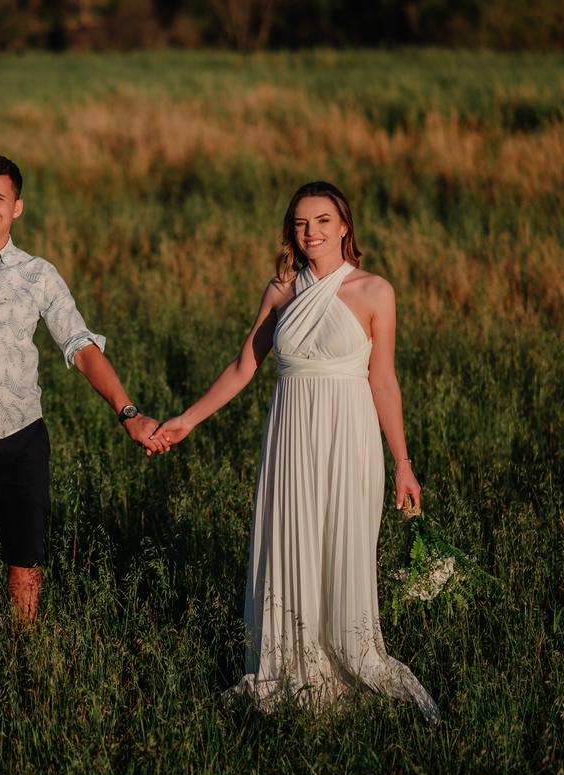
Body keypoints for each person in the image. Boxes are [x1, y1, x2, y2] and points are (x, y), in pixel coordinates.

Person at [150, 181, 439, 721]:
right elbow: (244, 367)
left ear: (344, 225)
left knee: (342, 546)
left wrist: (403, 463)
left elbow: (383, 381)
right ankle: (291, 667)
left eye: (323, 220)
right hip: (290, 437)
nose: (312, 232)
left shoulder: (374, 291)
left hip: (349, 438)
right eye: (302, 223)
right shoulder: (281, 290)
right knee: (291, 542)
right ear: (292, 230)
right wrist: (186, 420)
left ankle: (350, 658)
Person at [0, 155, 166, 627]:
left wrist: (129, 412)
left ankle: (25, 652)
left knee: (25, 559)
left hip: (20, 438)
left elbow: (81, 346)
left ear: (16, 207)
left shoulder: (37, 274)